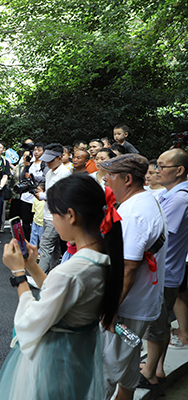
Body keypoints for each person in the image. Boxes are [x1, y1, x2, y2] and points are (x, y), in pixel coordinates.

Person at [0, 174, 124, 400]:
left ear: (71, 215)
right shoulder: (103, 256)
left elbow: (30, 321)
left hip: (52, 364)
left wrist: (18, 274)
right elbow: (64, 295)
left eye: (53, 213)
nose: (52, 219)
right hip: (78, 358)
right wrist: (32, 266)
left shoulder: (72, 271)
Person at [100, 154, 167, 400]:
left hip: (127, 308)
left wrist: (111, 307)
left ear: (127, 179)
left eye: (110, 175)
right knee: (128, 362)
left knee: (106, 368)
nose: (105, 179)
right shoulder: (145, 200)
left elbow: (128, 267)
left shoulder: (134, 213)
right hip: (138, 304)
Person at [139, 149, 188, 389]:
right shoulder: (173, 194)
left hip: (164, 271)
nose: (157, 170)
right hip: (165, 270)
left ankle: (149, 373)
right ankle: (157, 369)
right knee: (160, 324)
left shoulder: (179, 198)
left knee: (155, 325)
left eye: (162, 166)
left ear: (179, 170)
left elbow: (158, 234)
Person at [36, 143, 72, 274]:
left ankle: (38, 275)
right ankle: (52, 272)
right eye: (46, 159)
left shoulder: (65, 173)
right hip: (47, 213)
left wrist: (42, 195)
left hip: (57, 216)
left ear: (60, 158)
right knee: (54, 246)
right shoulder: (49, 173)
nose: (47, 163)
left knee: (45, 244)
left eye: (51, 160)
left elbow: (62, 196)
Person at [20, 143, 48, 240]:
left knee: (38, 222)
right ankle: (27, 242)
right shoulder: (30, 163)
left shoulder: (45, 164)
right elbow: (23, 177)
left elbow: (46, 178)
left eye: (39, 150)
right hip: (26, 197)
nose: (36, 152)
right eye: (35, 150)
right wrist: (26, 167)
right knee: (25, 222)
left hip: (38, 198)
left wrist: (32, 176)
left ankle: (38, 244)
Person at [29, 183, 45, 252]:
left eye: (39, 190)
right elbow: (34, 210)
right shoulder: (35, 200)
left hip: (42, 222)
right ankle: (32, 249)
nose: (37, 191)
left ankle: (41, 251)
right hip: (35, 220)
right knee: (33, 236)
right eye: (37, 190)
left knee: (42, 238)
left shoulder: (45, 201)